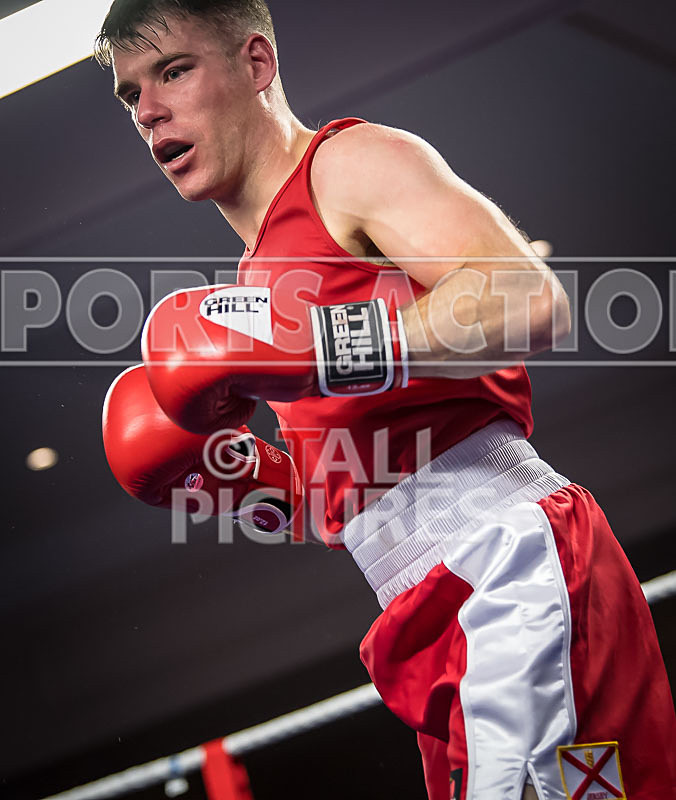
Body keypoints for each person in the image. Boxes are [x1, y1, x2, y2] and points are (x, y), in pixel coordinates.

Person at [96, 2, 676, 798]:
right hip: (428, 609)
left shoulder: (346, 166)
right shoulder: (255, 289)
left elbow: (528, 300)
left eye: (173, 70)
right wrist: (235, 478)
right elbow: (360, 492)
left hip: (507, 568)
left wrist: (325, 351)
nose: (149, 109)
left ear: (256, 64)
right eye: (130, 95)